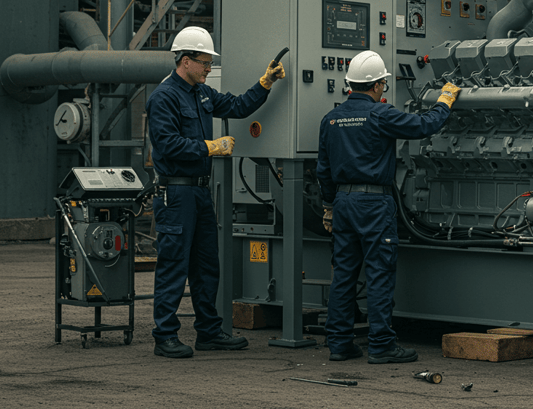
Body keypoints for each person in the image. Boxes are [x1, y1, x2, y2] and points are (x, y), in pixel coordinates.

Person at [147, 26, 286, 358]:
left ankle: (208, 332)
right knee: (173, 265)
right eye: (205, 62)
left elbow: (237, 106)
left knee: (207, 265)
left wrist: (265, 82)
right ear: (185, 60)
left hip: (198, 193)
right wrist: (209, 147)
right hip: (176, 193)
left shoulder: (201, 94)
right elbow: (165, 145)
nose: (209, 68)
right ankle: (164, 336)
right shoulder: (163, 97)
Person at [316, 50, 460, 364]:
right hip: (372, 202)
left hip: (342, 202)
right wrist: (445, 100)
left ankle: (339, 344)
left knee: (344, 273)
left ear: (349, 83)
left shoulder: (331, 119)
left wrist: (329, 206)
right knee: (379, 271)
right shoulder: (382, 115)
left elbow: (323, 170)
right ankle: (381, 345)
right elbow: (424, 126)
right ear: (379, 85)